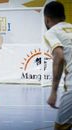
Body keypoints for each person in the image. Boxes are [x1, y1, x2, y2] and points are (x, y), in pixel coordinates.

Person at [44, 1, 72, 130]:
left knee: (61, 127)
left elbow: (59, 56)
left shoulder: (52, 32)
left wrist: (53, 92)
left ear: (47, 18)